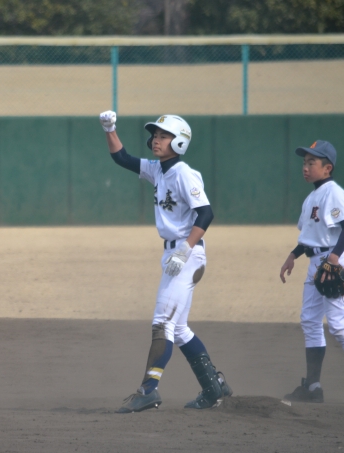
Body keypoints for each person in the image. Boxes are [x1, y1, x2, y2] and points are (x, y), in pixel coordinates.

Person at [99, 111, 232, 412]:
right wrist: (110, 128)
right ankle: (214, 386)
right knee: (179, 328)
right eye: (155, 136)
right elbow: (122, 158)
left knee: (162, 323)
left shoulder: (184, 173)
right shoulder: (158, 169)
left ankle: (149, 390)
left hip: (187, 253)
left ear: (180, 142)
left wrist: (184, 249)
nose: (156, 140)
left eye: (163, 136)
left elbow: (206, 213)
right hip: (174, 254)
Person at [279, 140, 344, 405]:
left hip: (332, 260)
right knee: (309, 320)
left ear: (327, 168)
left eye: (312, 162)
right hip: (316, 261)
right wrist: (293, 255)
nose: (305, 167)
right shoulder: (311, 198)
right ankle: (313, 387)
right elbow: (310, 236)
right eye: (304, 162)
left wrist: (334, 257)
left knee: (338, 324)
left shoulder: (333, 192)